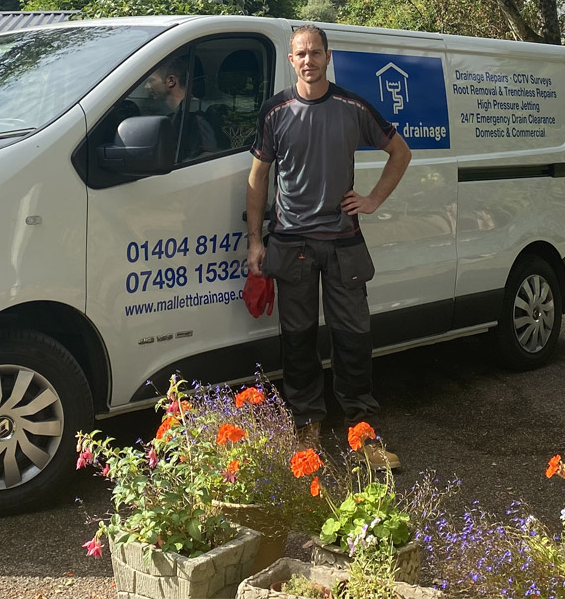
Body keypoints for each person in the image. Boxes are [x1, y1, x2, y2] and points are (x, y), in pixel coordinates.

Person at [246, 24, 412, 469]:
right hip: (291, 244)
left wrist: (373, 199)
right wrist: (256, 240)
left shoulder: (351, 106)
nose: (308, 60)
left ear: (328, 56)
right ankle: (306, 432)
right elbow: (258, 178)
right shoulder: (275, 111)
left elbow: (401, 153)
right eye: (300, 53)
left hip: (343, 244)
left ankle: (364, 437)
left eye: (315, 52)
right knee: (298, 342)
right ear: (291, 60)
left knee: (353, 339)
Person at [145, 54, 217, 161]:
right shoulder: (175, 115)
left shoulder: (195, 117)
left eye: (151, 81)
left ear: (171, 81)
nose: (146, 86)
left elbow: (208, 155)